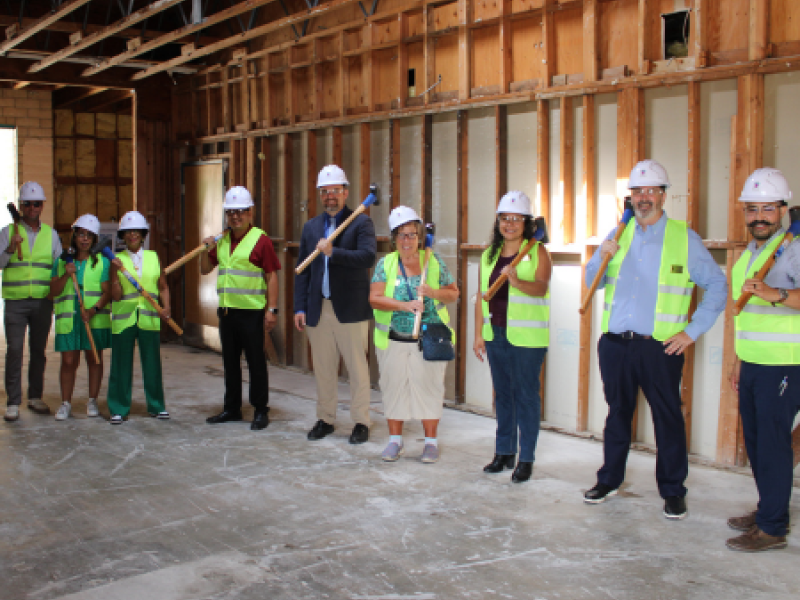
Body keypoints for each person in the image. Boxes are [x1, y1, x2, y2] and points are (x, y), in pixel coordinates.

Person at [583, 159, 727, 519]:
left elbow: (717, 286)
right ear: (630, 197)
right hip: (615, 345)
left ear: (663, 196)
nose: (643, 197)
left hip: (659, 347)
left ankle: (673, 490)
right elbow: (591, 283)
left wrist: (691, 332)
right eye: (637, 192)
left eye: (651, 191)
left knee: (667, 418)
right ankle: (609, 479)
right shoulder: (618, 235)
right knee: (618, 415)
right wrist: (599, 257)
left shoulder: (683, 237)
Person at [726, 168, 800, 552]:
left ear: (783, 209)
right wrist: (740, 358)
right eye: (751, 209)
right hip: (755, 362)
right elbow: (748, 316)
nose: (758, 216)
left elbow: (780, 300)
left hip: (784, 363)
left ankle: (772, 528)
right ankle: (768, 507)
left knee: (773, 446)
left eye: (767, 209)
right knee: (756, 445)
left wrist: (777, 294)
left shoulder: (795, 247)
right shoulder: (755, 251)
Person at [294, 165, 377, 444]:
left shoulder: (360, 222)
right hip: (319, 309)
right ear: (320, 194)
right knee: (324, 368)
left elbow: (367, 257)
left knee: (357, 368)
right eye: (325, 191)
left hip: (350, 309)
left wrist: (335, 252)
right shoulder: (311, 228)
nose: (331, 196)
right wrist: (300, 307)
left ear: (346, 192)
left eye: (336, 191)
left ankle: (361, 421)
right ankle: (326, 418)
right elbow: (303, 272)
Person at [370, 207, 459, 463]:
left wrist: (432, 292)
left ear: (420, 236)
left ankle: (430, 443)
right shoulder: (386, 264)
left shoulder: (433, 261)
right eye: (401, 235)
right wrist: (404, 306)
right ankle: (395, 441)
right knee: (393, 388)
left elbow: (453, 293)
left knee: (429, 389)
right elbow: (374, 298)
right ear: (394, 238)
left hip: (428, 339)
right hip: (394, 339)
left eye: (411, 235)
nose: (406, 241)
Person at [473, 191, 551, 483]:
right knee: (503, 395)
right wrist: (479, 333)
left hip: (528, 340)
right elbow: (482, 297)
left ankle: (526, 459)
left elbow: (541, 288)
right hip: (496, 334)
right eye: (505, 218)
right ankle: (504, 452)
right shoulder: (488, 255)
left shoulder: (537, 252)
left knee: (527, 397)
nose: (510, 224)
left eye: (516, 219)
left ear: (527, 223)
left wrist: (517, 281)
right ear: (498, 222)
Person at [202, 186, 280, 431]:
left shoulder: (261, 240)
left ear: (250, 213)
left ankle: (260, 410)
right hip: (227, 313)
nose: (235, 216)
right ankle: (232, 408)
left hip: (251, 313)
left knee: (256, 362)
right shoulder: (221, 240)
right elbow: (205, 269)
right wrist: (206, 250)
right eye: (230, 212)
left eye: (241, 212)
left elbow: (272, 276)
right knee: (230, 363)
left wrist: (272, 309)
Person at [1, 181, 62, 422]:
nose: (32, 208)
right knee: (15, 351)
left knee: (38, 350)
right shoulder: (8, 232)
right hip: (15, 301)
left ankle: (35, 396)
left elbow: (57, 267)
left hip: (42, 302)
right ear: (21, 206)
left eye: (37, 204)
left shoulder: (51, 235)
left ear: (42, 206)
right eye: (28, 204)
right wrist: (8, 249)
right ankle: (13, 402)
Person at [107, 211, 171, 424]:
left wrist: (167, 307)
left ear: (143, 234)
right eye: (128, 232)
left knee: (152, 364)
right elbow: (115, 295)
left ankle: (156, 405)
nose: (132, 235)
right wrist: (113, 274)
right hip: (124, 319)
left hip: (149, 318)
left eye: (136, 231)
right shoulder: (116, 260)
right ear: (123, 236)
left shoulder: (153, 257)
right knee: (120, 365)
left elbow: (162, 286)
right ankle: (118, 408)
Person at [49, 215, 111, 420]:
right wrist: (66, 274)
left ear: (95, 239)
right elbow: (53, 292)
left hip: (93, 317)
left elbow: (107, 292)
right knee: (68, 361)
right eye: (81, 234)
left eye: (89, 236)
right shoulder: (62, 260)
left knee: (94, 358)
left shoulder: (102, 262)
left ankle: (92, 400)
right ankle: (66, 403)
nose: (84, 239)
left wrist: (93, 310)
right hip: (69, 319)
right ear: (75, 236)